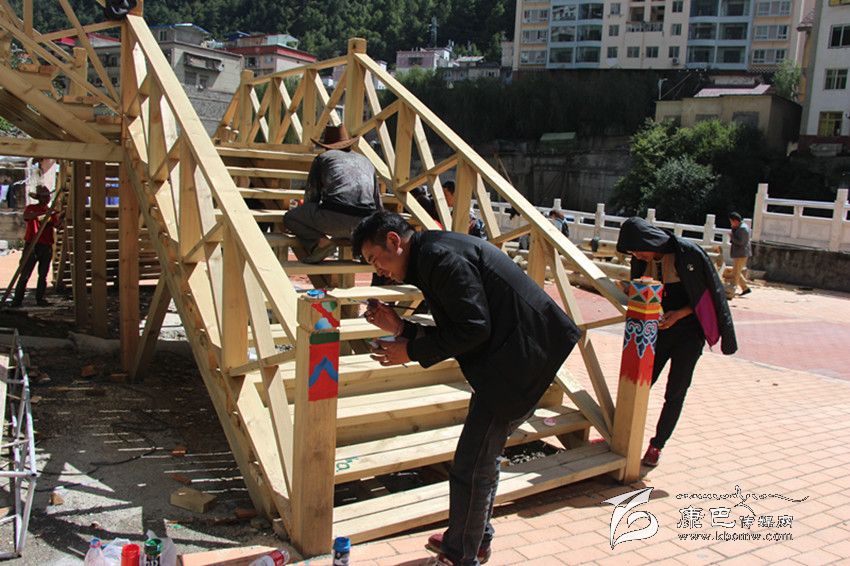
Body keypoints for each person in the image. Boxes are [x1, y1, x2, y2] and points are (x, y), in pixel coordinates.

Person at [353, 211, 580, 566]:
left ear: (394, 241)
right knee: (480, 459)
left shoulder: (439, 259)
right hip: (509, 356)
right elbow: (460, 330)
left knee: (471, 464)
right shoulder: (430, 255)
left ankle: (461, 553)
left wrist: (409, 351)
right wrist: (401, 328)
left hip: (519, 358)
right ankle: (473, 538)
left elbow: (474, 329)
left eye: (374, 259)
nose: (377, 270)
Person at [616, 217, 736, 467]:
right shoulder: (641, 260)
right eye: (633, 253)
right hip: (658, 331)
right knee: (640, 385)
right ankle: (619, 435)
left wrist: (679, 314)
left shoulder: (688, 253)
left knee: (676, 391)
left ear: (650, 241)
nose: (637, 256)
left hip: (690, 333)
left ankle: (657, 445)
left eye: (638, 250)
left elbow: (707, 295)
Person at [284, 124, 382, 263]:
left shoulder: (323, 158)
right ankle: (365, 248)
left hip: (335, 216)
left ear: (326, 146)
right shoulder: (366, 161)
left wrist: (308, 221)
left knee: (290, 218)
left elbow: (312, 196)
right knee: (354, 225)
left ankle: (321, 244)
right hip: (365, 222)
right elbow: (377, 202)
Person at [10, 185, 63, 307]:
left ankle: (40, 299)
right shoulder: (32, 208)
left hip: (46, 246)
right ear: (39, 198)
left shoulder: (51, 212)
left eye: (48, 196)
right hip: (32, 245)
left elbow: (57, 226)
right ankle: (17, 300)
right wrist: (44, 213)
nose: (47, 198)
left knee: (43, 275)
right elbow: (27, 216)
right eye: (44, 196)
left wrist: (60, 219)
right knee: (25, 274)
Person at [729, 212, 752, 296]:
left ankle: (732, 290)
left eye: (731, 221)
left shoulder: (743, 229)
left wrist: (732, 237)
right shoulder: (739, 227)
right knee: (737, 271)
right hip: (740, 253)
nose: (731, 223)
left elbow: (741, 242)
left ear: (735, 221)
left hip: (741, 253)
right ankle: (745, 288)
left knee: (735, 273)